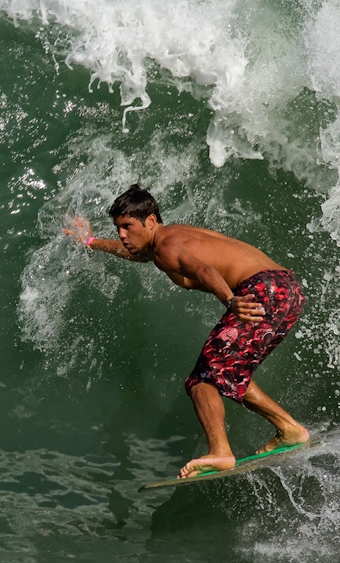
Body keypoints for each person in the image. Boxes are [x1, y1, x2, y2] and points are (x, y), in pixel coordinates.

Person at [65, 184, 309, 478]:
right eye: (118, 228)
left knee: (202, 379)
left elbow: (204, 271)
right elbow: (136, 254)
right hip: (287, 288)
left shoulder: (166, 248)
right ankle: (289, 429)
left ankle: (220, 452)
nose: (122, 235)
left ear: (151, 221)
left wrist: (230, 301)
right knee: (228, 372)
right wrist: (90, 240)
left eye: (127, 227)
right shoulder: (169, 239)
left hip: (261, 291)